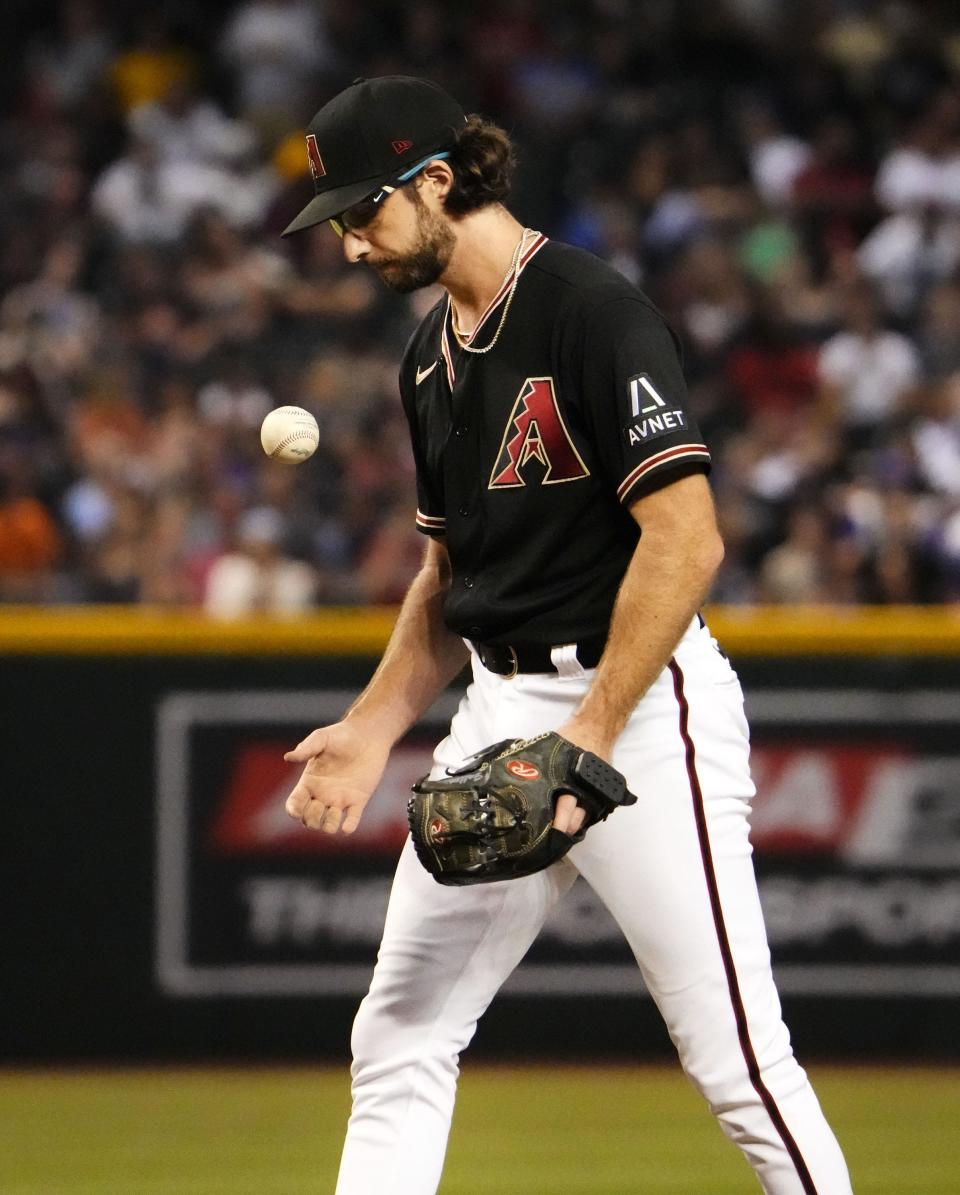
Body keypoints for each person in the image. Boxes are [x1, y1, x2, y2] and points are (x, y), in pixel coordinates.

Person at [281, 76, 853, 1195]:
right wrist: (371, 722)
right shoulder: (428, 360)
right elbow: (449, 578)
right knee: (398, 1034)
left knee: (737, 1058)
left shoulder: (592, 311)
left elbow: (686, 542)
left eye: (363, 212)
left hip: (637, 708)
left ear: (436, 179)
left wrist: (589, 738)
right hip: (500, 705)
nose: (351, 244)